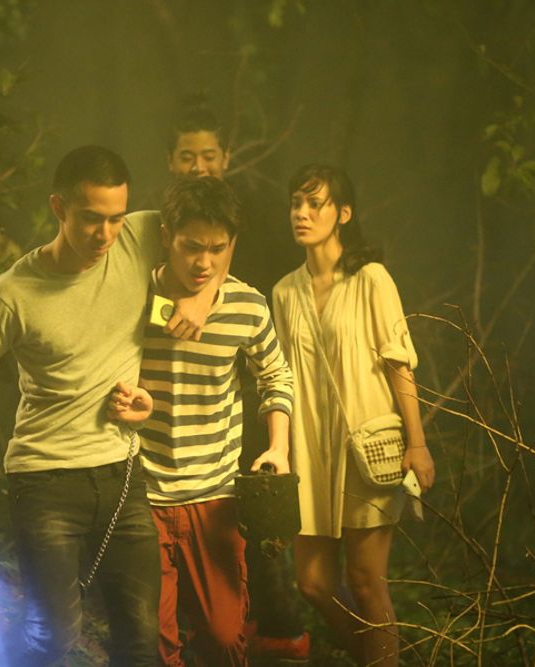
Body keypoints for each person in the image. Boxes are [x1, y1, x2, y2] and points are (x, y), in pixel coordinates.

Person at [0, 145, 213, 666]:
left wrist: (200, 296)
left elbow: (217, 229)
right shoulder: (12, 293)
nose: (106, 234)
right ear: (58, 208)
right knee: (55, 636)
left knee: (141, 638)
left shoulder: (139, 236)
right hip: (45, 481)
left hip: (122, 474)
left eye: (116, 218)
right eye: (91, 218)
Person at [111, 176, 293, 666]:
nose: (204, 263)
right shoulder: (135, 297)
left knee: (225, 637)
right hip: (143, 494)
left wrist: (279, 446)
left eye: (217, 249)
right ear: (165, 235)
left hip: (215, 496)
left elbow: (277, 375)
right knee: (154, 640)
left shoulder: (246, 306)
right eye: (192, 247)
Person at [271, 164, 436, 666]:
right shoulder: (284, 292)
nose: (301, 213)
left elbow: (398, 362)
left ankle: (381, 658)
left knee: (366, 581)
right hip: (310, 452)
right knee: (312, 582)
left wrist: (417, 443)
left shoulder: (370, 279)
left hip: (367, 445)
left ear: (343, 213)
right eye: (296, 203)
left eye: (314, 204)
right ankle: (375, 653)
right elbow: (281, 378)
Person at [165, 101, 311, 662]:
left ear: (225, 157)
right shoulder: (156, 228)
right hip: (164, 432)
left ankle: (277, 631)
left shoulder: (248, 220)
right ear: (171, 161)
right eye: (187, 156)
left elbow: (268, 349)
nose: (198, 166)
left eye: (208, 155)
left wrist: (209, 297)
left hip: (235, 411)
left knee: (258, 530)